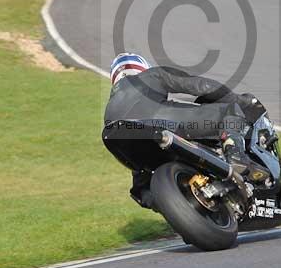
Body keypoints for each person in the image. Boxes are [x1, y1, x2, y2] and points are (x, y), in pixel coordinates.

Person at [103, 53, 264, 208]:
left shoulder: (109, 111)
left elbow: (134, 149)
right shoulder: (151, 75)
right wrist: (239, 100)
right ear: (142, 66)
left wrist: (148, 193)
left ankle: (181, 202)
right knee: (230, 109)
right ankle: (235, 154)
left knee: (144, 190)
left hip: (135, 154)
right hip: (168, 124)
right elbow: (200, 86)